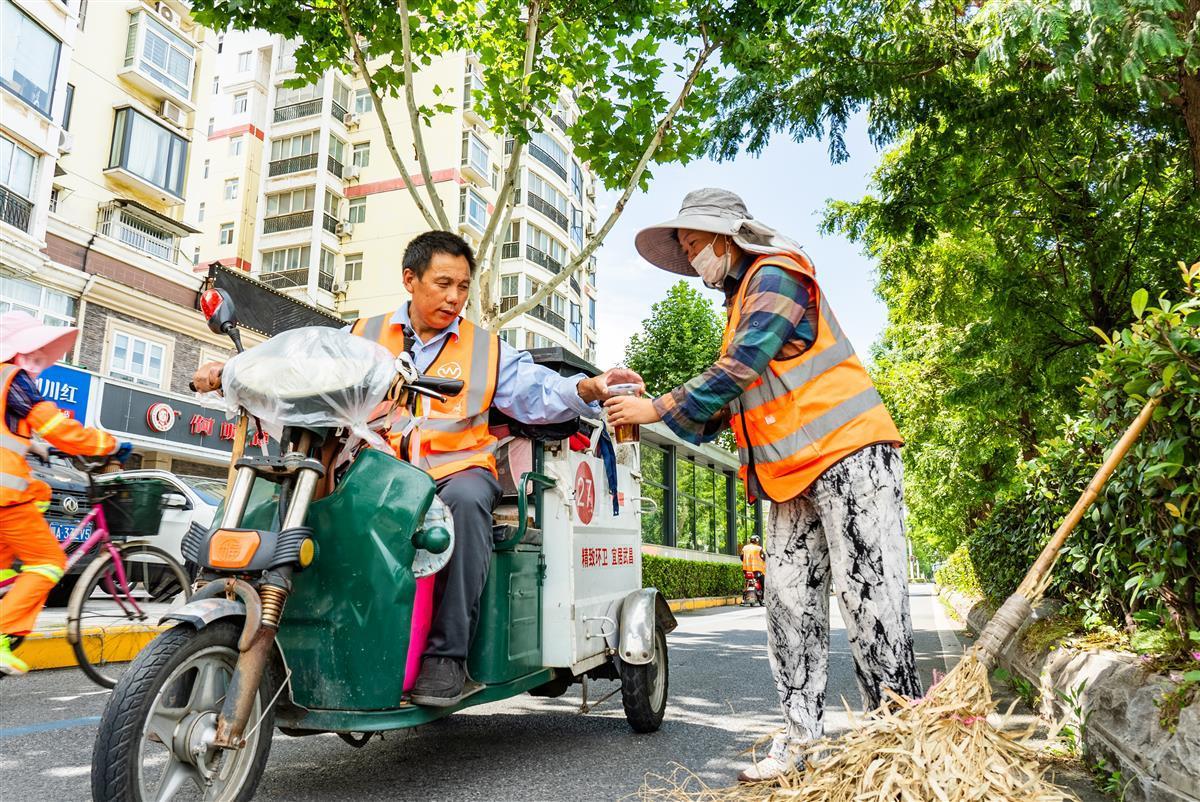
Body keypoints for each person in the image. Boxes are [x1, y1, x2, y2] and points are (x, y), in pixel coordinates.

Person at [193, 231, 640, 705]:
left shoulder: (486, 349)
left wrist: (588, 389)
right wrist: (231, 371)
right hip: (377, 471)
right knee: (292, 500)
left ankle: (448, 657)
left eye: (463, 287)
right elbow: (299, 365)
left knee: (468, 504)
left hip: (456, 471)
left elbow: (536, 392)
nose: (454, 297)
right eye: (443, 283)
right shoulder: (361, 336)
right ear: (411, 279)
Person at [606, 189, 922, 782]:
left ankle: (900, 741)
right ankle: (801, 741)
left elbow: (743, 365)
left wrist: (654, 409)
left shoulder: (778, 271)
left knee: (871, 602)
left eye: (695, 245)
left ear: (726, 237)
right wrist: (663, 409)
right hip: (787, 476)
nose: (692, 258)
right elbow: (735, 398)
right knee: (786, 606)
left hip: (850, 455)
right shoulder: (739, 301)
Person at [1, 311, 132, 675]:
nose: (41, 362)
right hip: (5, 498)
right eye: (38, 352)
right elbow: (60, 428)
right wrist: (109, 445)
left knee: (5, 562)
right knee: (48, 562)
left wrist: (37, 448)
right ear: (22, 351)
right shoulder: (14, 380)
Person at [741, 534, 765, 602]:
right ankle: (763, 599)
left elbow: (741, 557)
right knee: (764, 584)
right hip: (757, 571)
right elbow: (764, 557)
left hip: (746, 571)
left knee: (747, 583)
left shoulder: (745, 548)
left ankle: (743, 599)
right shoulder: (759, 549)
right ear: (757, 541)